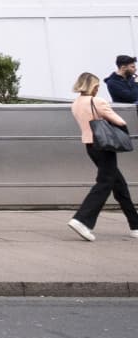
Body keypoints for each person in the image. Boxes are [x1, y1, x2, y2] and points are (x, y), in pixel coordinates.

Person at [66, 71, 138, 242]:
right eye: (97, 86)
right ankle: (82, 220)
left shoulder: (75, 103)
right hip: (104, 146)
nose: (98, 89)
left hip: (90, 146)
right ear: (92, 86)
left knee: (119, 185)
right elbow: (120, 122)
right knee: (105, 183)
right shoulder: (97, 101)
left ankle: (135, 225)